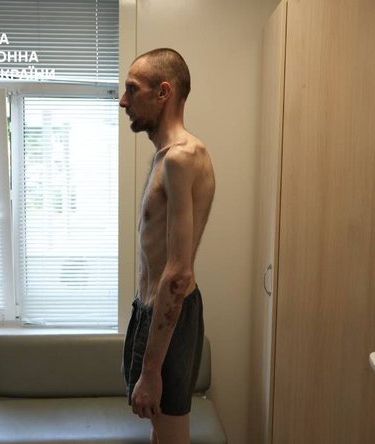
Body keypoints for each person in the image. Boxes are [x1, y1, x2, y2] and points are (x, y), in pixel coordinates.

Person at [120, 48, 215, 444]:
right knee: (160, 431)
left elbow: (177, 272)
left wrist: (151, 369)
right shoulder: (164, 157)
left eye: (132, 89)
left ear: (163, 92)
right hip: (151, 310)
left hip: (169, 314)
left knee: (172, 436)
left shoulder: (181, 158)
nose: (123, 101)